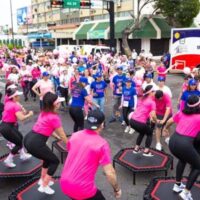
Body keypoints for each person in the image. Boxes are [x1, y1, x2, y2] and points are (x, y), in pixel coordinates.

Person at [60, 109, 121, 200]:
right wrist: (117, 189)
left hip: (64, 183)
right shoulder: (102, 144)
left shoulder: (75, 135)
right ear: (102, 124)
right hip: (82, 189)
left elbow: (72, 152)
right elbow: (110, 173)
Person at [24, 92, 68, 195]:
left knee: (47, 159)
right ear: (55, 104)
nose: (60, 104)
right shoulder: (54, 117)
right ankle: (44, 185)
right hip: (36, 143)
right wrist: (71, 147)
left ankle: (42, 179)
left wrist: (55, 136)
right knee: (55, 161)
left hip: (29, 138)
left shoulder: (44, 112)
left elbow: (46, 127)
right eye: (59, 102)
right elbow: (63, 136)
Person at [163, 95, 200, 200]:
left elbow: (170, 121)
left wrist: (166, 129)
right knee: (198, 166)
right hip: (184, 144)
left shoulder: (181, 112)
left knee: (182, 160)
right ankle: (186, 193)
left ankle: (177, 185)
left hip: (173, 141)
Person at [0, 89, 33, 168]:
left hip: (7, 125)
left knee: (20, 138)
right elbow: (21, 118)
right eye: (18, 96)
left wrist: (22, 111)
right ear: (14, 97)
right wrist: (30, 114)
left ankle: (22, 155)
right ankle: (8, 160)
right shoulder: (15, 105)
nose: (19, 97)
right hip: (7, 128)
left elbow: (15, 113)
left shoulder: (8, 102)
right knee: (18, 144)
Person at [129, 85, 157, 156]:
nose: (155, 93)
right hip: (140, 123)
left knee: (142, 132)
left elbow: (142, 111)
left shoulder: (141, 98)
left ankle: (136, 149)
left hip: (132, 121)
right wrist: (157, 121)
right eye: (154, 92)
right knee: (150, 133)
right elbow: (153, 115)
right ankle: (146, 151)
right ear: (151, 93)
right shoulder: (152, 102)